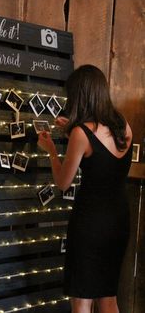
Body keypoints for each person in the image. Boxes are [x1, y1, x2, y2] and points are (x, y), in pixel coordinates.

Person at [37, 65, 133, 313]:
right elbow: (101, 148)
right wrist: (72, 129)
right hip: (118, 220)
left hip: (90, 222)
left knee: (82, 300)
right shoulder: (124, 125)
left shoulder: (81, 133)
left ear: (79, 95)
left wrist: (50, 150)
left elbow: (62, 182)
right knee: (108, 297)